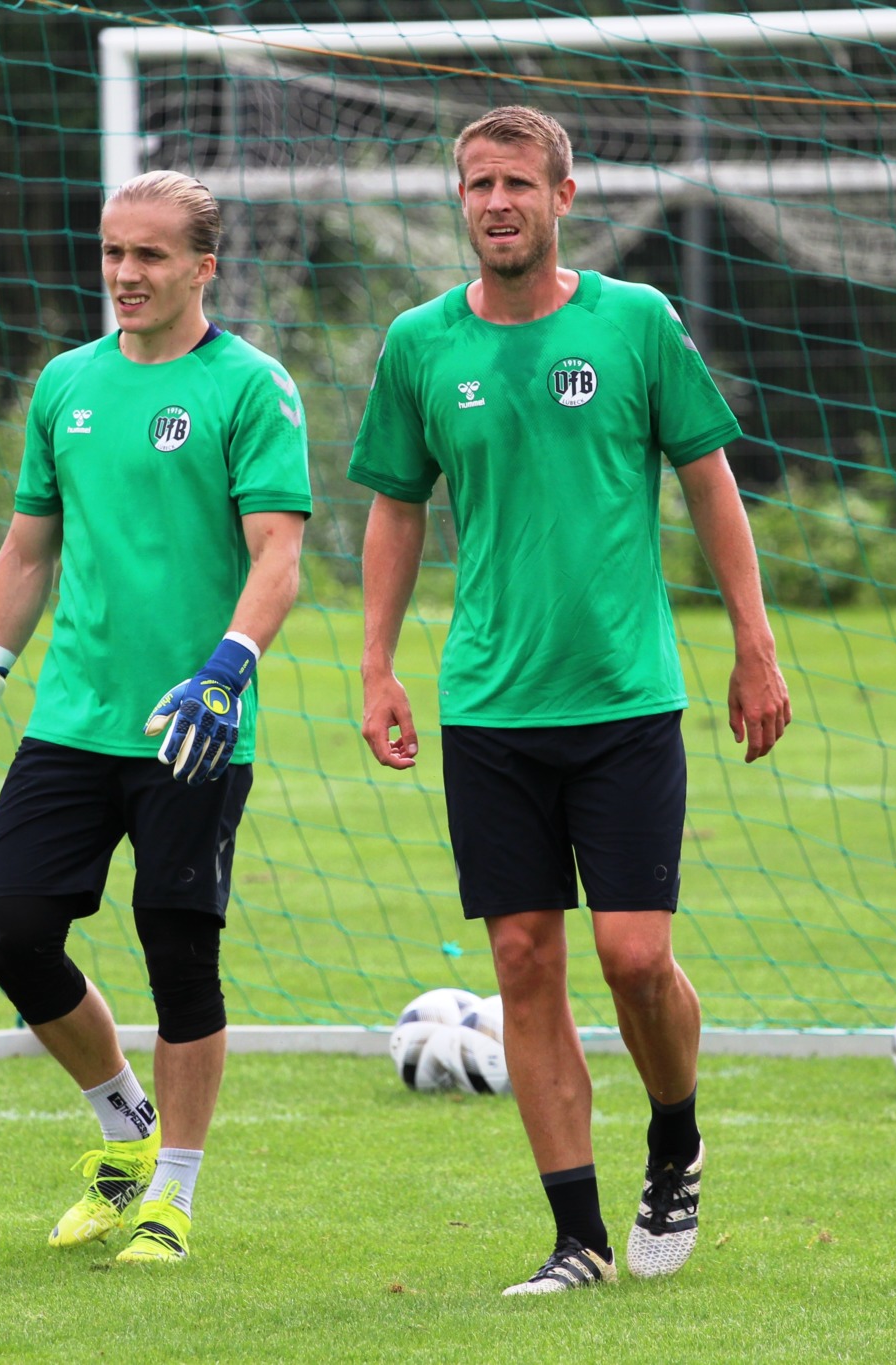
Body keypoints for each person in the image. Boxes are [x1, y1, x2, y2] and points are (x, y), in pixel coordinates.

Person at [348, 107, 791, 1295]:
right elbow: (394, 506)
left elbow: (710, 486)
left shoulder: (635, 325)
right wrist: (376, 663)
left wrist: (753, 645)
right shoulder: (417, 346)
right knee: (521, 959)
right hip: (488, 708)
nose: (494, 203)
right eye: (475, 184)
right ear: (459, 200)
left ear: (563, 195)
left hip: (622, 699)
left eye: (515, 183)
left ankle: (674, 1138)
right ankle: (577, 1239)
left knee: (634, 957)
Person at [0, 169, 310, 1265]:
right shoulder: (66, 384)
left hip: (190, 724)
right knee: (11, 933)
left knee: (177, 949)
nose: (124, 275)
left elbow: (278, 553)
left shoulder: (251, 387)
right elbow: (27, 545)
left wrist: (226, 669)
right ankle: (122, 1130)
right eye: (111, 252)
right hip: (74, 716)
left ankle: (172, 1198)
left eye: (148, 256)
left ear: (202, 267)